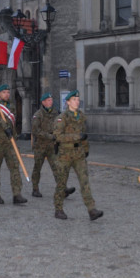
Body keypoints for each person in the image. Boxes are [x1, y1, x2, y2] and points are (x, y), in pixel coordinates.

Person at [52, 90, 102, 221]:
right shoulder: (62, 118)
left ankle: (92, 210)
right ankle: (58, 209)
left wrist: (86, 149)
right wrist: (76, 137)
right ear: (68, 102)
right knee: (61, 183)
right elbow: (57, 136)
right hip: (65, 154)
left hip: (79, 154)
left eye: (78, 99)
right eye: (74, 99)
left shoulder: (81, 116)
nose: (77, 101)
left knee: (84, 181)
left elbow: (84, 134)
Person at [0, 84, 26, 205]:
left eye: (8, 92)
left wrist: (14, 135)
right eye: (4, 92)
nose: (6, 94)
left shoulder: (11, 107)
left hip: (10, 142)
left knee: (14, 167)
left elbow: (12, 124)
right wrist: (5, 128)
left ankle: (17, 194)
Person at [30, 92, 58, 198]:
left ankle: (62, 188)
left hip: (52, 146)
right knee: (37, 168)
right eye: (48, 100)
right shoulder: (38, 115)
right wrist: (49, 136)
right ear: (43, 102)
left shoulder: (55, 113)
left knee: (56, 167)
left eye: (51, 100)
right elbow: (35, 131)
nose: (51, 102)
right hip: (40, 146)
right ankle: (35, 189)